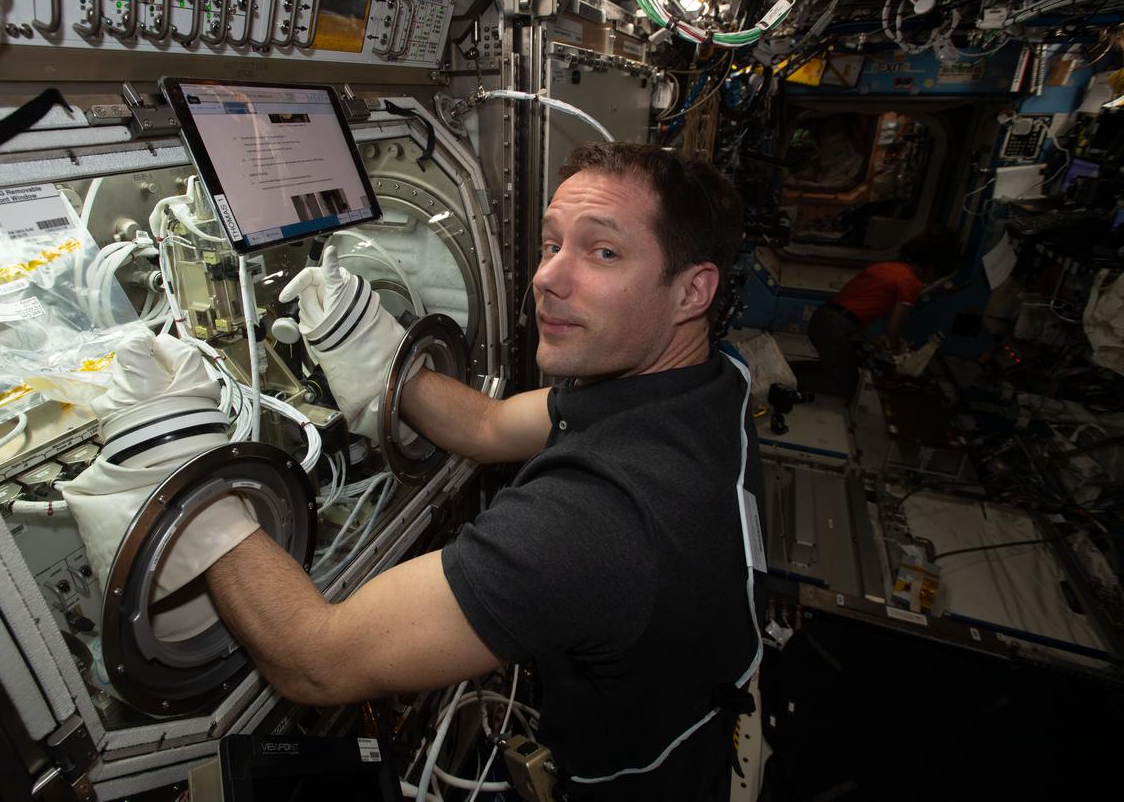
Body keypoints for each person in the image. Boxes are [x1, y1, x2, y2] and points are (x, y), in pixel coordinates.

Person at [203, 142, 765, 801]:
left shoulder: (598, 520)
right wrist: (369, 349)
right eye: (552, 243)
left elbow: (316, 662)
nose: (549, 277)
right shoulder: (704, 382)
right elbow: (488, 426)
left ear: (692, 290)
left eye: (603, 252)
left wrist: (184, 479)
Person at [790, 237, 956, 398]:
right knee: (846, 386)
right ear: (932, 270)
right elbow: (894, 328)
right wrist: (898, 349)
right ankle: (780, 380)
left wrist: (873, 340)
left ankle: (786, 368)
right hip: (834, 328)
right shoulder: (912, 283)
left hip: (824, 319)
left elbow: (852, 311)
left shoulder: (888, 267)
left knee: (836, 367)